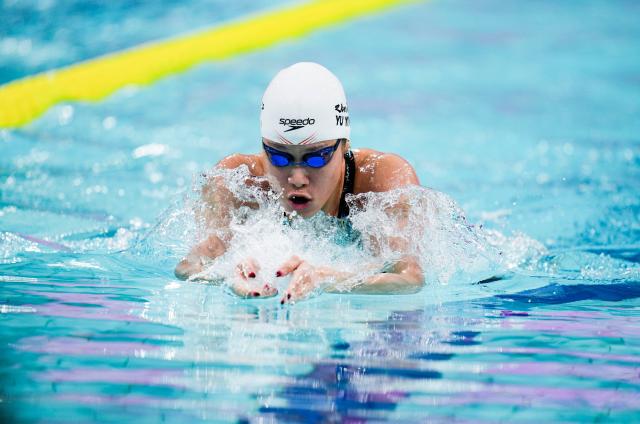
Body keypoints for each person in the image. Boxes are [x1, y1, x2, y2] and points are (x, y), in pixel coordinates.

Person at [175, 62, 423, 303]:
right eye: (280, 156)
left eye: (316, 158)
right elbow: (190, 266)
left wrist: (328, 279)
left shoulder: (381, 180)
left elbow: (409, 278)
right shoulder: (239, 182)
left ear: (344, 145)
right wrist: (226, 275)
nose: (296, 178)